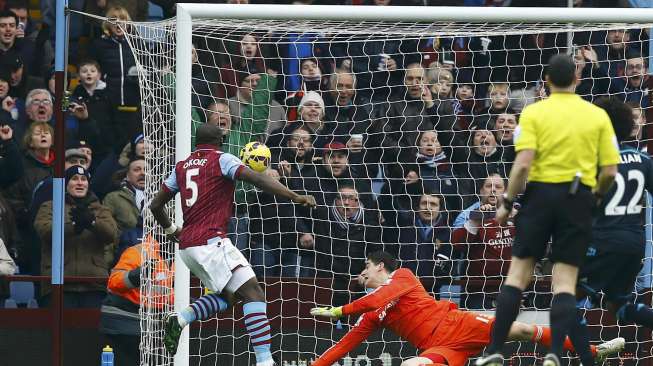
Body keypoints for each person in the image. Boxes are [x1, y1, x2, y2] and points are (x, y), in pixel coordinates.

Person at [476, 54, 620, 366]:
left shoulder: (534, 112)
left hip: (540, 197)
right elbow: (610, 170)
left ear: (547, 80)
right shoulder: (595, 115)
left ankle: (495, 350)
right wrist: (594, 197)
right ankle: (554, 353)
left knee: (517, 276)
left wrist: (506, 202)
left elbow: (523, 163)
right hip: (578, 197)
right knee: (565, 283)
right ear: (577, 78)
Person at [149, 123, 316, 366]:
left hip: (187, 247)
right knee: (254, 293)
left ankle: (181, 318)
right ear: (221, 141)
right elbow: (257, 180)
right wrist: (295, 196)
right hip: (211, 242)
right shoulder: (222, 159)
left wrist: (171, 229)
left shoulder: (182, 166)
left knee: (229, 297)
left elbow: (155, 205)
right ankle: (265, 361)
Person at [309, 251, 624, 366]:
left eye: (366, 267)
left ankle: (594, 353)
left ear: (380, 266)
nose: (361, 273)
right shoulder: (370, 315)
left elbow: (378, 297)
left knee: (523, 330)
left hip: (458, 323)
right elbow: (345, 345)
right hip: (439, 347)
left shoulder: (402, 276)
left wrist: (339, 310)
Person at [568, 97, 653, 364]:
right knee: (620, 307)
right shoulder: (642, 159)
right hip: (635, 242)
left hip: (603, 240)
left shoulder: (592, 162)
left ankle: (587, 359)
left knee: (565, 299)